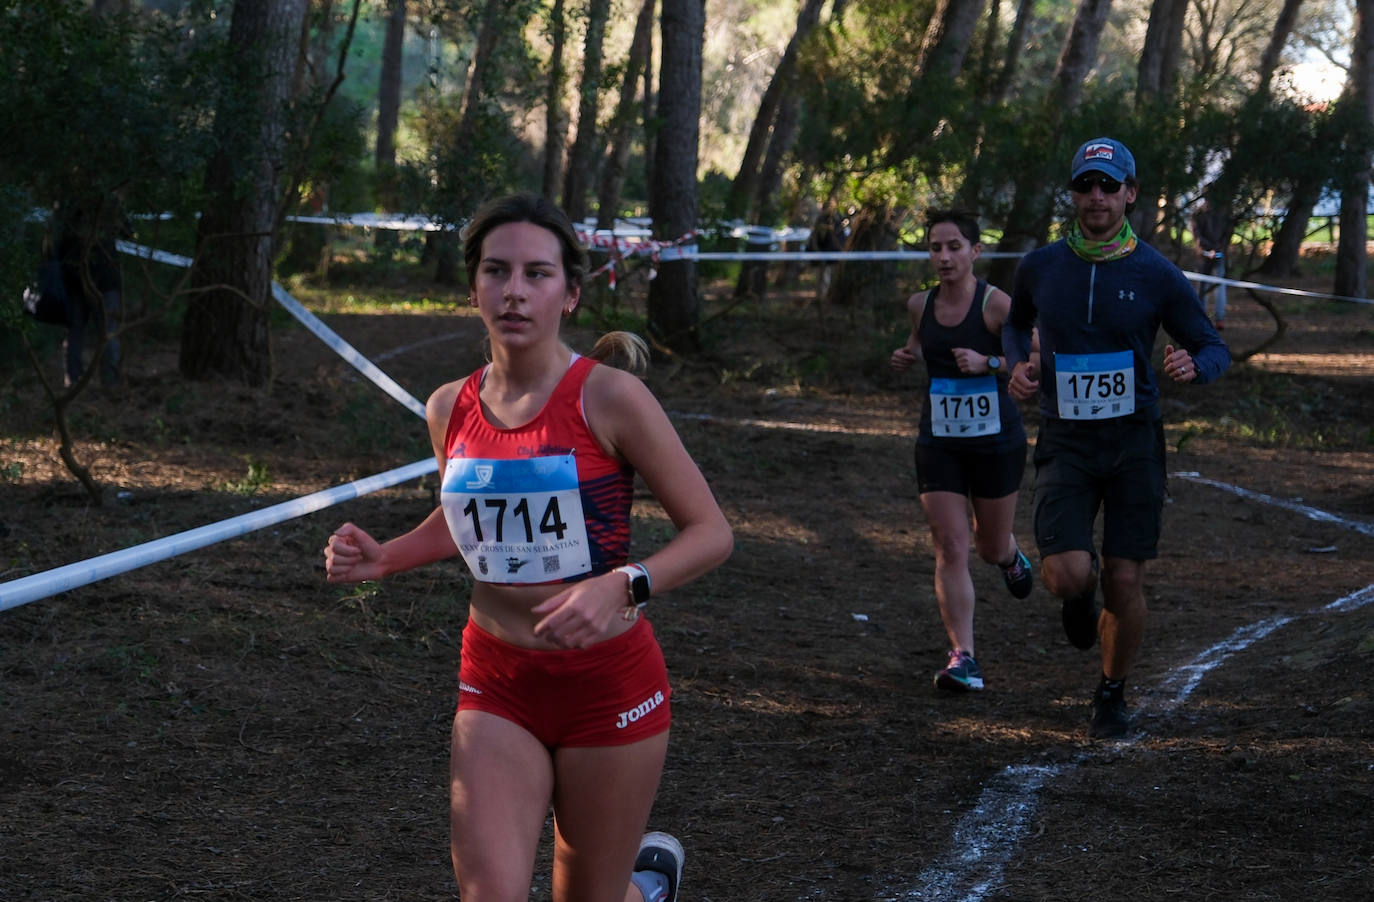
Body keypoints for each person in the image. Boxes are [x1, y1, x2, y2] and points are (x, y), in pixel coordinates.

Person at [323, 193, 733, 901]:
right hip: (497, 683)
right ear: (474, 285)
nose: (514, 291)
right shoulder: (448, 406)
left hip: (608, 688)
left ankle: (646, 887)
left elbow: (712, 533)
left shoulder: (611, 398)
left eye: (537, 274)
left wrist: (624, 584)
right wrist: (387, 555)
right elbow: (474, 520)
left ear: (571, 293)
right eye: (496, 270)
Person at [1003, 137, 1230, 739]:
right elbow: (1015, 324)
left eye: (1109, 185)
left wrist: (1194, 367)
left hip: (1134, 442)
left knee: (1126, 580)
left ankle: (1111, 692)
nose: (1096, 196)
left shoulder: (1156, 273)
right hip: (1067, 440)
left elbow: (1212, 345)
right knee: (1068, 575)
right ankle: (1077, 597)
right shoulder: (1042, 266)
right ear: (1073, 192)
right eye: (1085, 184)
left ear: (1130, 193)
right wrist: (1018, 367)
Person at [891, 208, 1034, 693]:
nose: (944, 256)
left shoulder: (996, 305)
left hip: (996, 442)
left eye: (954, 247)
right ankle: (963, 657)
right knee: (950, 545)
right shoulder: (919, 304)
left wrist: (989, 360)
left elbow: (1034, 354)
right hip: (939, 442)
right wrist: (907, 354)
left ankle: (1012, 556)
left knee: (989, 546)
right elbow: (918, 341)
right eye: (935, 247)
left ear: (976, 251)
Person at [57, 205, 123, 388]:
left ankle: (78, 382)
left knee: (83, 333)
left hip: (86, 280)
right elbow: (127, 230)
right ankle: (105, 384)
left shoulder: (69, 202)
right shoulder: (108, 202)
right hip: (87, 281)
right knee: (104, 332)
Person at [1191, 194, 1231, 328]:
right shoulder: (1199, 214)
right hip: (1205, 255)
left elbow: (1197, 236)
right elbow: (1198, 236)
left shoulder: (1220, 214)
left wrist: (1214, 249)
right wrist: (1214, 249)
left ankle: (1217, 318)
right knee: (1205, 287)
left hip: (1212, 254)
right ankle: (1205, 318)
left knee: (1216, 287)